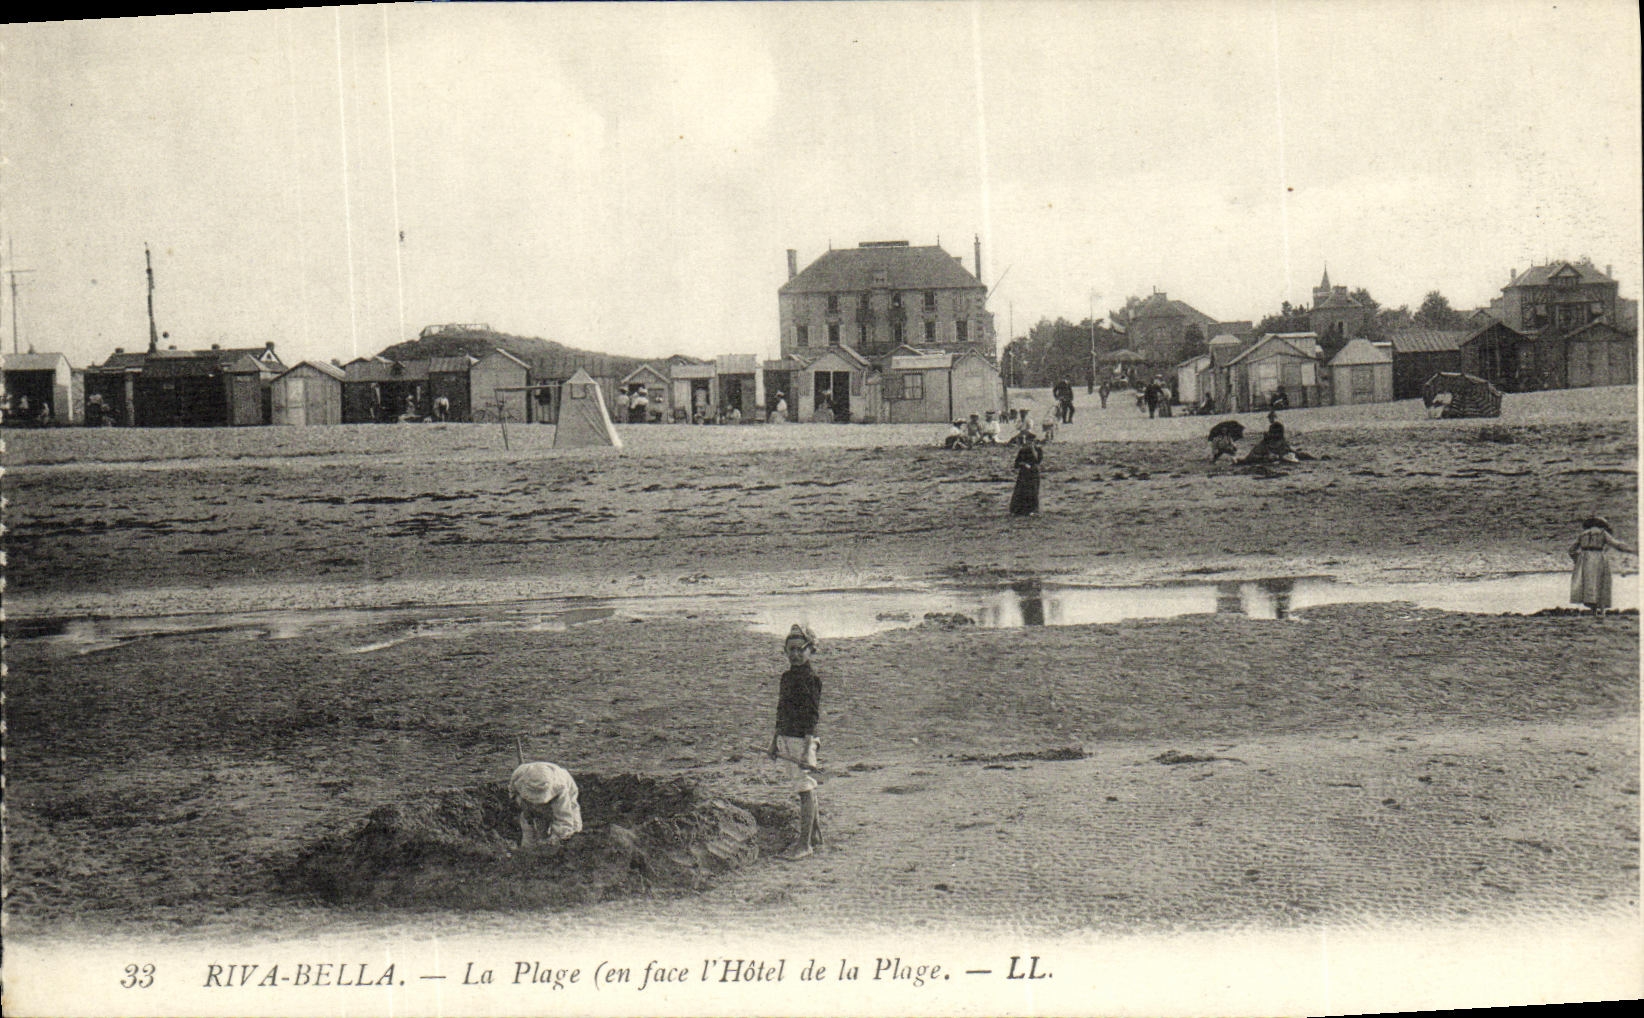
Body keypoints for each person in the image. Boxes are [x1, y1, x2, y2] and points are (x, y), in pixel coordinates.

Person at [769, 624, 823, 859]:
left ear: (810, 651)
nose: (795, 655)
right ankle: (816, 835)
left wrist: (806, 750)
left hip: (803, 739)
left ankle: (804, 845)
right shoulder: (786, 678)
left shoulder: (811, 679)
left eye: (800, 650)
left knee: (804, 789)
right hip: (787, 737)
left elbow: (812, 717)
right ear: (785, 651)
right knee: (805, 785)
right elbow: (781, 711)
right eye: (790, 650)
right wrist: (774, 742)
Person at [1569, 516, 1636, 617]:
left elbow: (1571, 550)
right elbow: (1616, 544)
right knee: (1601, 582)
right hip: (1598, 558)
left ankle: (1593, 611)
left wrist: (1577, 560)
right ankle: (1602, 611)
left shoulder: (1582, 534)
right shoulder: (1602, 533)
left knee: (1589, 584)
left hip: (1585, 559)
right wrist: (1632, 550)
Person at [508, 760, 583, 850]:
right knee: (530, 822)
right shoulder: (519, 775)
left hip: (564, 792)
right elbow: (513, 793)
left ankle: (569, 851)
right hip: (530, 799)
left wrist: (555, 839)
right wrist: (525, 807)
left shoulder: (560, 787)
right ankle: (528, 850)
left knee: (572, 830)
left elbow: (564, 820)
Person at [1009, 432, 1043, 516]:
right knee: (1022, 492)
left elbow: (1038, 461)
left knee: (1034, 492)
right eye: (1029, 441)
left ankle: (1032, 510)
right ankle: (1019, 510)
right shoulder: (1023, 450)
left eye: (1033, 441)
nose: (1031, 443)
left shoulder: (1038, 450)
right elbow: (1016, 464)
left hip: (1034, 473)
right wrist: (1024, 464)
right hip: (1024, 474)